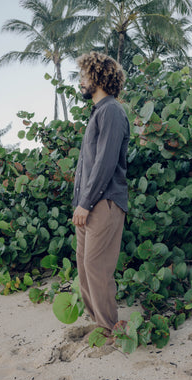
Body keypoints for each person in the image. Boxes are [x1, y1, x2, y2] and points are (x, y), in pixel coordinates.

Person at [72, 52, 130, 341]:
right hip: (90, 204)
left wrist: (85, 202)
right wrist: (79, 203)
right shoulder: (99, 112)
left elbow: (105, 163)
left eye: (83, 75)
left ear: (97, 77)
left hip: (103, 203)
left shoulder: (111, 111)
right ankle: (99, 322)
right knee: (85, 264)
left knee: (96, 265)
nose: (80, 81)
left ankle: (108, 327)